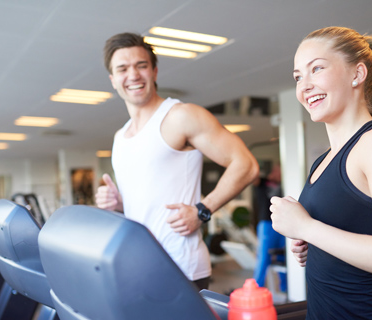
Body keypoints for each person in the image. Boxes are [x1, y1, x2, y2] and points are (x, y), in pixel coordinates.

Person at [270, 26, 372, 319]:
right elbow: (352, 230)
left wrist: (306, 228)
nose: (304, 86)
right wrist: (313, 244)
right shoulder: (323, 161)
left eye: (316, 69)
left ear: (357, 74)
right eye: (298, 77)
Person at [95, 32, 259, 291]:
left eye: (141, 66)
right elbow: (147, 204)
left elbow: (246, 164)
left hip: (181, 268)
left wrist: (203, 210)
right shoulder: (120, 137)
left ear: (154, 72)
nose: (133, 75)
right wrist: (118, 204)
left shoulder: (180, 116)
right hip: (137, 267)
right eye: (123, 68)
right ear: (113, 79)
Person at [252, 164, 287, 292]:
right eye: (278, 170)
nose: (279, 173)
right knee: (264, 257)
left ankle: (285, 288)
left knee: (283, 257)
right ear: (273, 171)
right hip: (266, 224)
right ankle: (256, 290)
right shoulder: (262, 182)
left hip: (283, 223)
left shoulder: (285, 183)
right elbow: (252, 174)